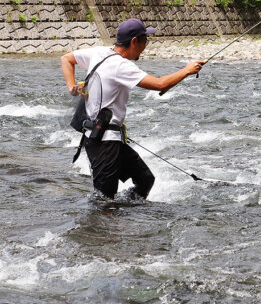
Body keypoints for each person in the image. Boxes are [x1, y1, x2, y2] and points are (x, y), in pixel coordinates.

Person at [60, 18, 203, 200]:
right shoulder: (121, 66)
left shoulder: (99, 53)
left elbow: (66, 59)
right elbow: (160, 84)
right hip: (104, 142)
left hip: (108, 138)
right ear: (135, 41)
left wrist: (71, 87)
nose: (146, 46)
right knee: (104, 200)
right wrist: (187, 70)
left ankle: (124, 218)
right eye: (146, 41)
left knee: (145, 179)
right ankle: (102, 224)